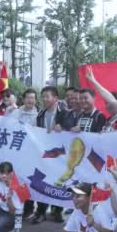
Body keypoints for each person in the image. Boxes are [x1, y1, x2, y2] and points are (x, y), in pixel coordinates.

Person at [27, 86, 68, 224]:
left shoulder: (65, 113)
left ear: (55, 98)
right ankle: (41, 211)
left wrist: (64, 129)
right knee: (42, 182)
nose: (44, 99)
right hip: (43, 154)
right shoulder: (39, 115)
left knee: (58, 182)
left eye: (47, 96)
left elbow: (72, 131)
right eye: (43, 96)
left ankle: (57, 211)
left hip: (60, 155)